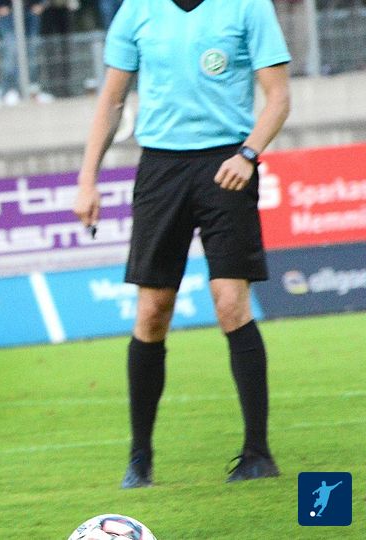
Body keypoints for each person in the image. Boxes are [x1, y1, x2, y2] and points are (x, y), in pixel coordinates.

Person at [73, 0, 291, 488]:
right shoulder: (137, 10)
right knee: (152, 311)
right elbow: (111, 101)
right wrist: (87, 180)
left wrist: (249, 154)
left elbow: (278, 98)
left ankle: (258, 454)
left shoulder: (248, 7)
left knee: (230, 303)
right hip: (160, 168)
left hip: (228, 164)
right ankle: (140, 460)